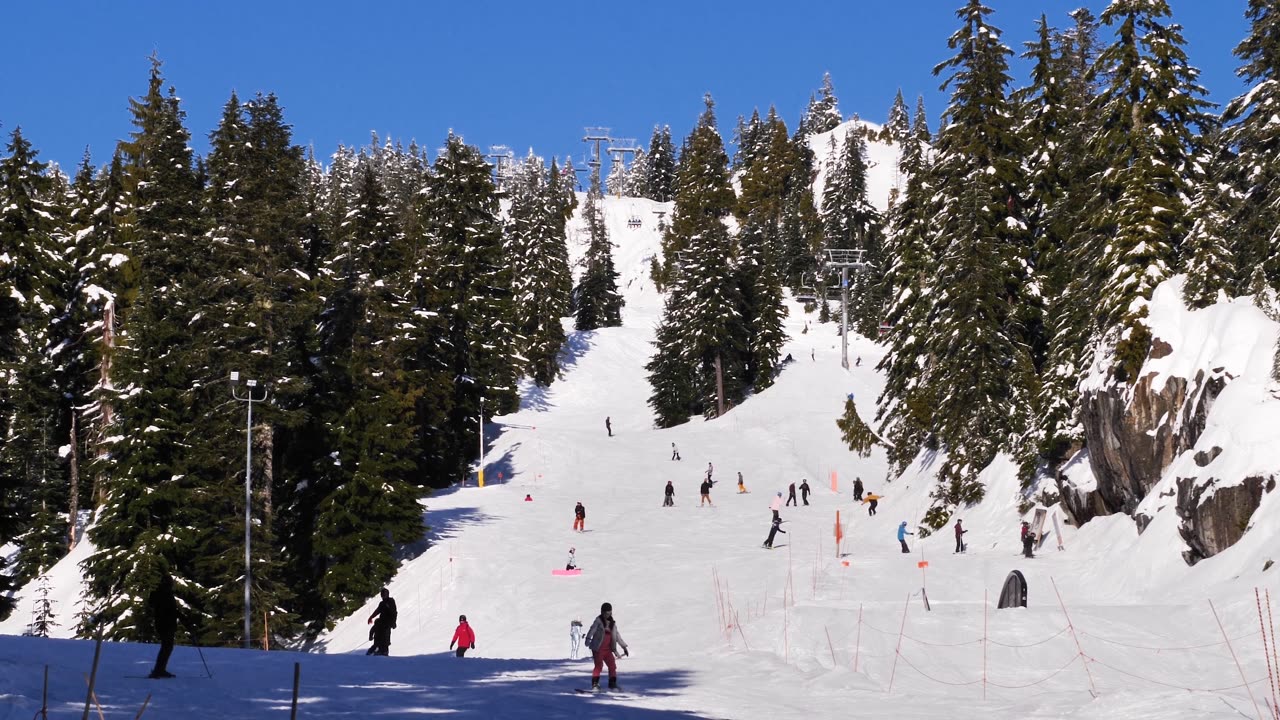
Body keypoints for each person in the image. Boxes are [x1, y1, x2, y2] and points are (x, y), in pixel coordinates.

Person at [585, 602, 629, 691]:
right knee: (598, 666)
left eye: (609, 613)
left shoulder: (612, 624)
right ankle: (595, 684)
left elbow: (617, 636)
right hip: (598, 648)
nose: (607, 615)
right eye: (606, 613)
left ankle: (612, 683)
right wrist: (588, 639)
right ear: (602, 612)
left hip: (608, 649)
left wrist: (624, 647)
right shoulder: (598, 621)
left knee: (612, 665)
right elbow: (592, 630)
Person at [147, 572, 179, 678]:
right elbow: (172, 611)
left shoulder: (160, 593)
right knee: (167, 647)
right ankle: (158, 670)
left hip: (163, 624)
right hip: (166, 624)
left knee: (166, 647)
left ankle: (160, 669)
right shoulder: (166, 594)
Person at [367, 588, 397, 656]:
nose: (383, 596)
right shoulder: (382, 603)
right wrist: (371, 617)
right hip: (381, 622)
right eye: (382, 595)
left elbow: (394, 612)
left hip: (388, 623)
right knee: (379, 637)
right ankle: (376, 651)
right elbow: (378, 611)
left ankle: (383, 652)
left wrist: (393, 622)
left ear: (387, 595)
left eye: (385, 594)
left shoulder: (391, 601)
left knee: (385, 638)